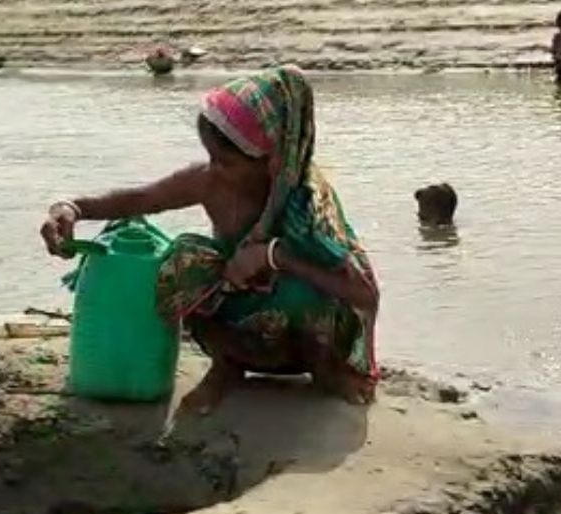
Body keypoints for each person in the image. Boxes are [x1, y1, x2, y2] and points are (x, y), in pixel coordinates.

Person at [39, 66, 380, 412]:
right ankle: (227, 365)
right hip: (247, 328)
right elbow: (142, 199)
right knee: (184, 260)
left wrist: (274, 256)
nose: (215, 170)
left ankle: (328, 373)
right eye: (211, 158)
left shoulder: (307, 203)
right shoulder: (210, 183)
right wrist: (72, 208)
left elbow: (365, 294)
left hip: (305, 338)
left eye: (227, 163)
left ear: (272, 159)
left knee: (302, 289)